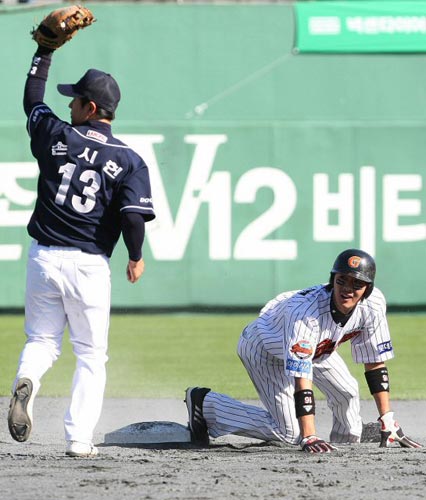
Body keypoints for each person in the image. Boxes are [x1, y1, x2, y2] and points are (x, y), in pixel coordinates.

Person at [7, 41, 155, 457]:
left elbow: (32, 98)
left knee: (41, 340)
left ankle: (28, 382)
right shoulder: (128, 159)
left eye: (75, 100)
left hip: (43, 258)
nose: (69, 104)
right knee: (91, 355)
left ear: (91, 108)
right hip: (88, 265)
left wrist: (42, 52)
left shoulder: (57, 135)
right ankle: (79, 439)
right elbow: (131, 217)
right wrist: (136, 255)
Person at [185, 249, 421, 453]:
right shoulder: (306, 315)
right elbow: (302, 377)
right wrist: (309, 435)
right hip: (265, 349)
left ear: (367, 289)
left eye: (357, 283)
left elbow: (375, 363)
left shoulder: (374, 304)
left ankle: (348, 447)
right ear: (332, 280)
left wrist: (387, 418)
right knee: (290, 432)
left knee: (347, 392)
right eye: (342, 280)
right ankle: (206, 405)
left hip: (318, 348)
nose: (347, 289)